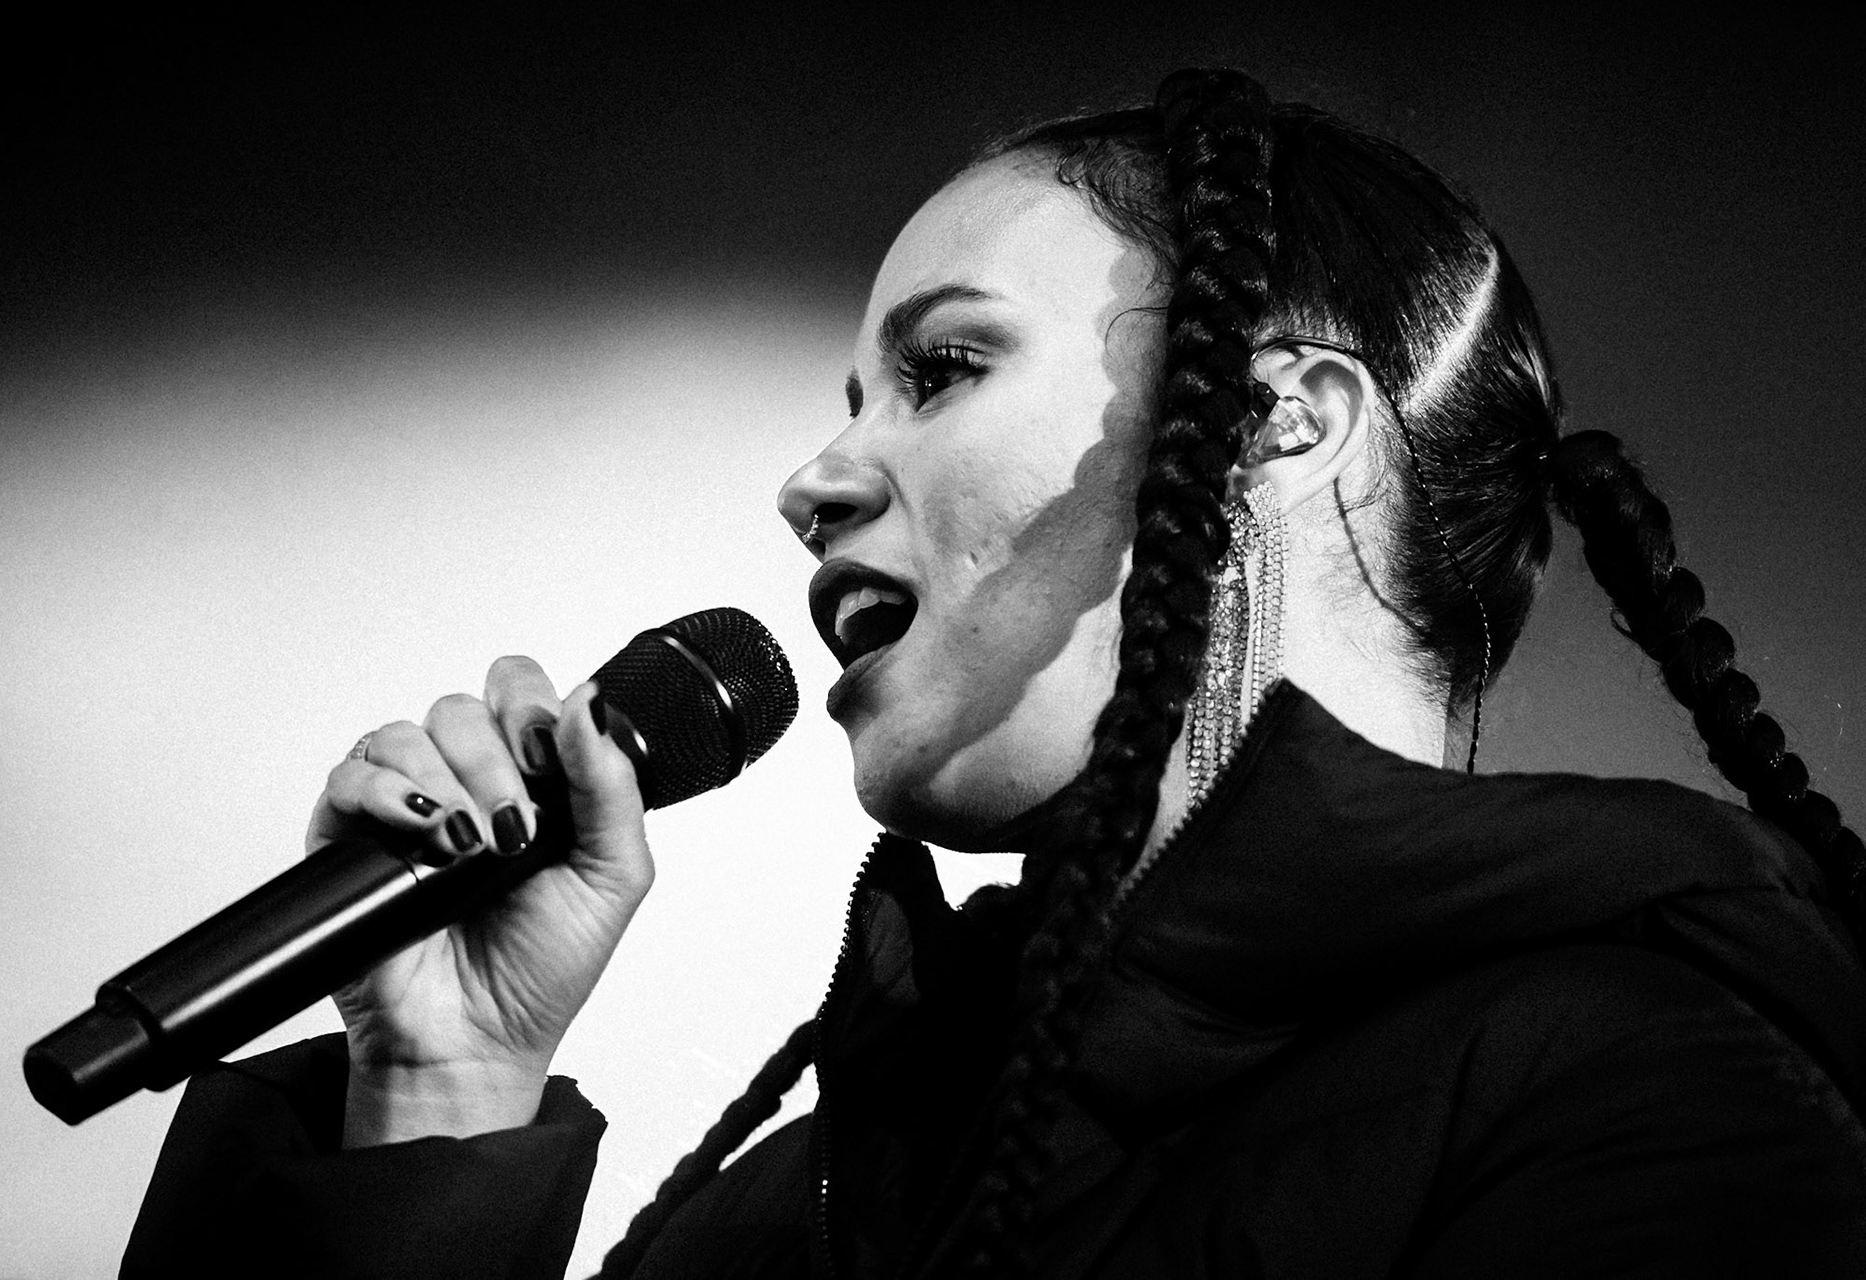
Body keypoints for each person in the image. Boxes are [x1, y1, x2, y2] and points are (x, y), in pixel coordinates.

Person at [120, 69, 1866, 1278]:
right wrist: (437, 1098)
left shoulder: (1653, 1092)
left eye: (943, 367)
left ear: (1274, 423)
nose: (810, 481)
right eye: (851, 401)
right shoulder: (792, 1208)